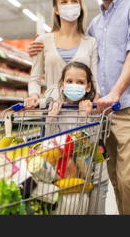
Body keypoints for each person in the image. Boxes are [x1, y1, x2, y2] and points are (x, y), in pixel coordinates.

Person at [28, 0, 130, 215]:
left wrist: (114, 92)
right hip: (98, 114)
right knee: (112, 178)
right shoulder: (97, 25)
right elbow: (78, 71)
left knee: (128, 179)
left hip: (127, 104)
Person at [47, 61, 109, 215]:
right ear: (62, 84)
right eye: (69, 81)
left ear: (88, 87)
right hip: (66, 175)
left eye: (80, 82)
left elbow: (89, 145)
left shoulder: (94, 111)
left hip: (93, 175)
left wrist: (84, 117)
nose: (74, 85)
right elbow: (50, 144)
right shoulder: (57, 109)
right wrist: (52, 118)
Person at [24, 0, 100, 109]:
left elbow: (95, 80)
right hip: (52, 109)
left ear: (80, 7)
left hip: (82, 111)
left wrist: (96, 101)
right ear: (56, 10)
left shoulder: (91, 42)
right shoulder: (43, 41)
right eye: (64, 2)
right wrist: (33, 95)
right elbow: (35, 78)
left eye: (74, 1)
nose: (69, 4)